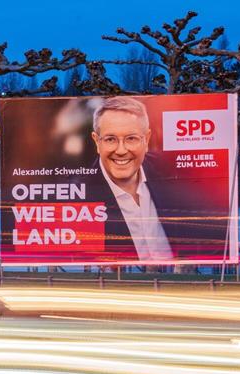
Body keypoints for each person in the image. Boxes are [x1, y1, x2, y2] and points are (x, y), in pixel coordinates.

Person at [88, 97, 226, 262]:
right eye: (110, 139)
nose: (121, 150)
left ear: (146, 139)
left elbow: (212, 235)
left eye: (131, 138)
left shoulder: (174, 170)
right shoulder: (79, 193)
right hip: (124, 282)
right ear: (96, 141)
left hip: (176, 282)